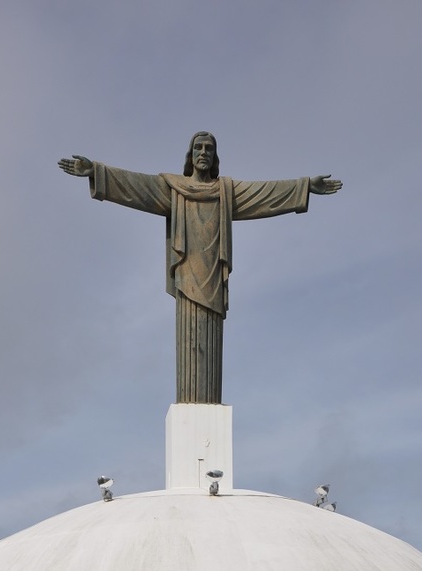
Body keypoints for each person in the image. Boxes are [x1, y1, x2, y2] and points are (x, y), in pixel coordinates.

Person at [58, 132, 342, 403]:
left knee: (212, 349)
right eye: (198, 147)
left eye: (209, 148)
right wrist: (97, 171)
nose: (203, 152)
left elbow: (263, 194)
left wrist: (304, 186)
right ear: (190, 155)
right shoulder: (173, 188)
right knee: (189, 346)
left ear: (215, 156)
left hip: (213, 279)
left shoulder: (225, 192)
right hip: (186, 278)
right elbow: (136, 186)